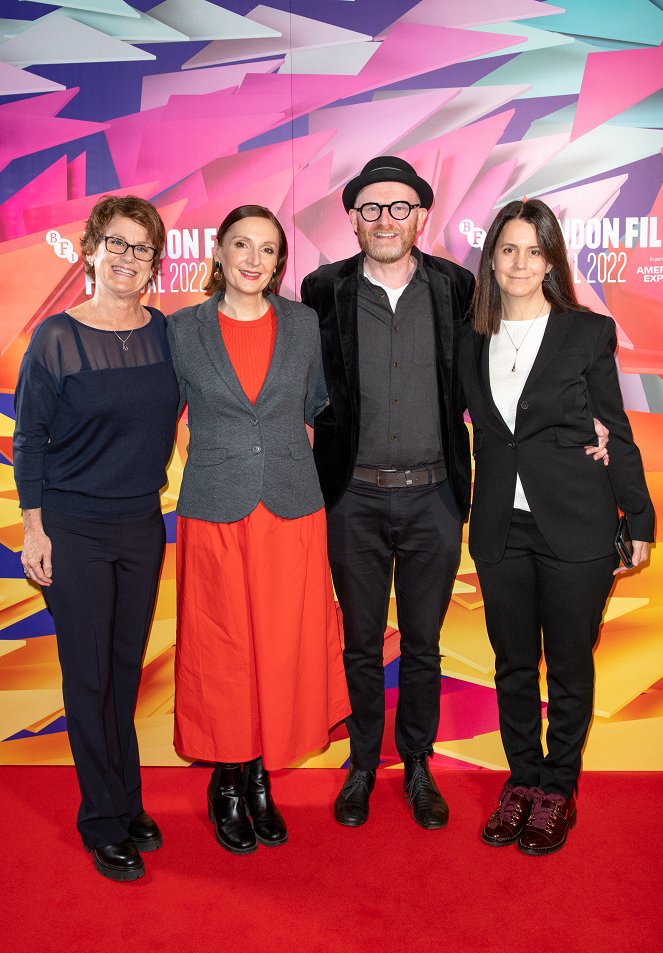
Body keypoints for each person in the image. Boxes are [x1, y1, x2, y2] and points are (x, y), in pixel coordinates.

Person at [301, 157, 610, 832]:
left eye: (400, 207)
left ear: (422, 216)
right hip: (350, 496)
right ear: (352, 218)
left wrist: (582, 417)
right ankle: (360, 763)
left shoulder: (457, 288)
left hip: (434, 498)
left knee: (421, 644)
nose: (386, 220)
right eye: (371, 209)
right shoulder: (320, 289)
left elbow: (515, 370)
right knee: (357, 643)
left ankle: (415, 762)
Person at [463, 198, 654, 855]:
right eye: (508, 249)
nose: (519, 262)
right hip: (499, 526)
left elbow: (613, 429)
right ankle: (520, 782)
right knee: (513, 664)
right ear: (491, 256)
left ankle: (556, 791)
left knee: (568, 666)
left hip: (576, 523)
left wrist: (639, 515)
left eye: (532, 250)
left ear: (549, 260)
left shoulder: (584, 332)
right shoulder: (469, 334)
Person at [167, 205, 349, 855]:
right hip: (214, 508)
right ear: (217, 253)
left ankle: (259, 779)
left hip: (290, 508)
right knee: (222, 652)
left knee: (277, 646)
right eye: (239, 245)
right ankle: (227, 780)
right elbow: (157, 412)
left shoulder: (302, 325)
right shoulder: (181, 330)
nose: (252, 258)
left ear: (279, 263)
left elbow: (316, 405)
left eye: (267, 249)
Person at [13, 195, 179, 881]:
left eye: (141, 248)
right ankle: (102, 820)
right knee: (87, 679)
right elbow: (28, 441)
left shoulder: (164, 333)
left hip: (141, 524)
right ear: (90, 250)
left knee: (121, 674)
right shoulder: (56, 338)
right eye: (116, 243)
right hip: (73, 530)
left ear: (154, 262)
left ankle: (127, 800)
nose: (127, 258)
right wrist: (34, 529)